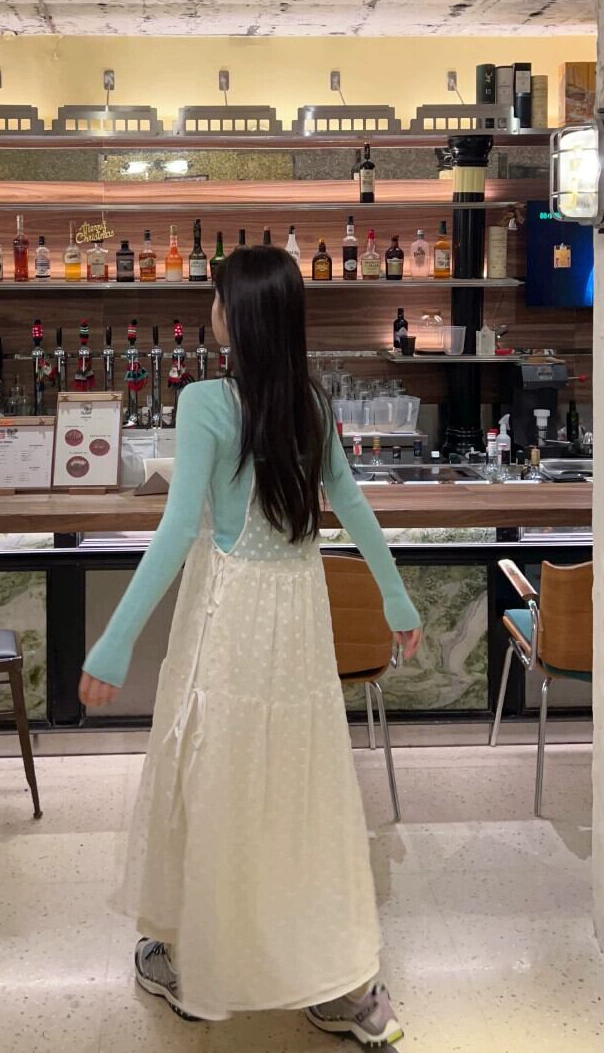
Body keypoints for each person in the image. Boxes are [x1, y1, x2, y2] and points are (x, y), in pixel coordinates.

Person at [80, 245, 423, 1046]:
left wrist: (113, 643)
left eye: (217, 300)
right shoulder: (309, 402)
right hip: (297, 615)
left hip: (231, 614)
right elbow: (353, 503)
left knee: (218, 776)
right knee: (300, 784)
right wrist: (397, 597)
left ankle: (200, 959)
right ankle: (327, 978)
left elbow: (176, 532)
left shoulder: (204, 400)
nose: (211, 311)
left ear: (237, 317)